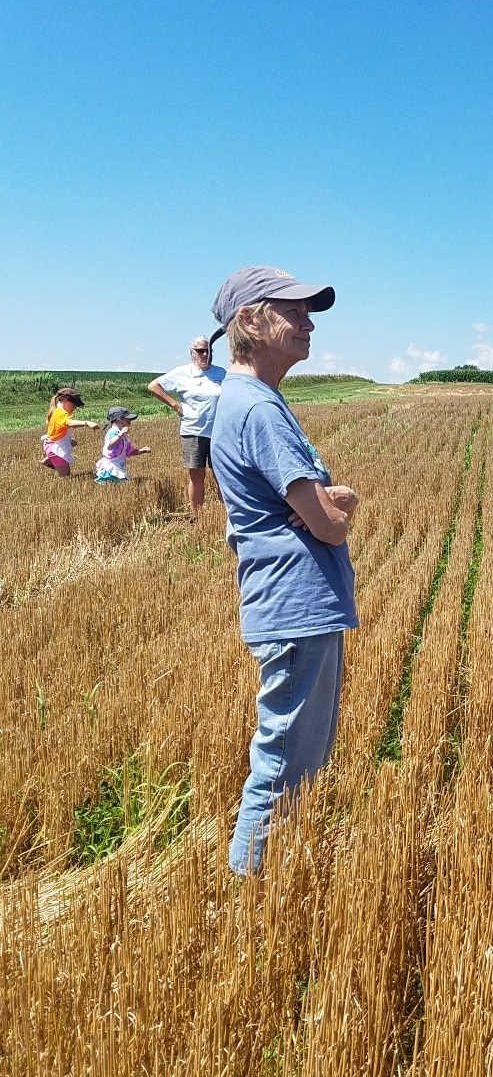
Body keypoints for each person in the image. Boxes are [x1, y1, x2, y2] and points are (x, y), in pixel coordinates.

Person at [209, 266, 359, 875]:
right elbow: (326, 521)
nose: (308, 322)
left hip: (292, 602)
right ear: (250, 320)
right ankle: (251, 896)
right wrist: (342, 505)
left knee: (296, 756)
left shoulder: (248, 401)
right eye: (292, 311)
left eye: (308, 311)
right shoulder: (259, 408)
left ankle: (274, 880)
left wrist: (327, 502)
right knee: (283, 764)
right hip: (296, 603)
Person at [146, 336, 227, 521]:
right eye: (201, 351)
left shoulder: (222, 373)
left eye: (208, 350)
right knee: (197, 476)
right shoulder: (182, 373)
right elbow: (154, 386)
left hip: (219, 432)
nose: (205, 354)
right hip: (193, 432)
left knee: (222, 475)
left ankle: (228, 516)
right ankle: (197, 516)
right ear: (192, 353)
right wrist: (175, 405)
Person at [41, 388, 100, 476]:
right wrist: (86, 423)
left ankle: (50, 458)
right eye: (74, 404)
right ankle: (52, 459)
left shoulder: (55, 411)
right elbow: (70, 423)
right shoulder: (61, 413)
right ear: (65, 401)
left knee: (73, 442)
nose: (75, 407)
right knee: (66, 478)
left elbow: (57, 429)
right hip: (56, 449)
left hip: (50, 444)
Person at [94, 406, 151, 483]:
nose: (130, 420)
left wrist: (141, 450)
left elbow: (129, 451)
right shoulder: (112, 431)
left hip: (119, 466)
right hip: (111, 467)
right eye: (127, 419)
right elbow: (110, 446)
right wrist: (120, 434)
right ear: (118, 419)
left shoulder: (123, 436)